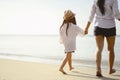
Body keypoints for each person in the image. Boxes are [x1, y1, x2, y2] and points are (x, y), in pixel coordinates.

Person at [84, 0, 120, 77]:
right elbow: (117, 14)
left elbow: (91, 15)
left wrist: (86, 28)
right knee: (111, 49)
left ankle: (98, 69)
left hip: (98, 26)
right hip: (110, 27)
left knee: (99, 49)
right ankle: (110, 69)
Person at [59, 10, 84, 74]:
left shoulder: (62, 27)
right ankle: (61, 67)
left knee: (69, 55)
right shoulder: (74, 26)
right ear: (72, 18)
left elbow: (61, 37)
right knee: (68, 56)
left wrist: (62, 42)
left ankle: (70, 67)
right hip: (70, 43)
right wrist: (86, 29)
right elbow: (83, 33)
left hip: (66, 43)